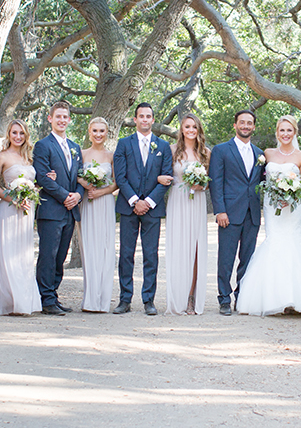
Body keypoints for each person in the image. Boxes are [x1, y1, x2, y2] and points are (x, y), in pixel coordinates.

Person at [236, 115, 301, 318]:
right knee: (274, 243)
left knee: (294, 243)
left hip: (292, 207)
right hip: (272, 207)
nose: (285, 134)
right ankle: (274, 299)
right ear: (277, 132)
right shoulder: (267, 154)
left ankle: (297, 300)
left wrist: (291, 196)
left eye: (289, 130)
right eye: (282, 130)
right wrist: (276, 194)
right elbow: (259, 179)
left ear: (295, 132)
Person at [0, 119, 42, 315]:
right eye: (14, 133)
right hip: (9, 209)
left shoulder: (29, 159)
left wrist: (32, 193)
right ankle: (9, 300)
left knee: (23, 254)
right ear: (9, 134)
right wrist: (13, 198)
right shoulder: (1, 157)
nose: (18, 137)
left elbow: (35, 182)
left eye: (21, 133)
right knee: (6, 253)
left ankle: (23, 298)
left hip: (26, 211)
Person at [112, 103, 173, 316]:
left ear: (153, 120)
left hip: (153, 209)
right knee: (126, 255)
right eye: (141, 116)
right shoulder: (123, 144)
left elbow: (166, 177)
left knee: (151, 255)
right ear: (135, 119)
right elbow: (120, 177)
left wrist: (148, 202)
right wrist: (135, 200)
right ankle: (125, 299)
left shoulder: (163, 146)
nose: (145, 120)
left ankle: (149, 300)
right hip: (129, 208)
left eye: (148, 116)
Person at [210, 109, 264, 316]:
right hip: (229, 213)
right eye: (242, 122)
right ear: (235, 125)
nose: (245, 126)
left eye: (249, 123)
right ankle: (224, 298)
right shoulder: (221, 150)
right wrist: (220, 211)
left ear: (253, 127)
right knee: (226, 258)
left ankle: (241, 296)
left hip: (252, 214)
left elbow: (262, 183)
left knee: (247, 258)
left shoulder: (260, 154)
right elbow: (216, 183)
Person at [33, 101, 85, 316]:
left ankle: (53, 294)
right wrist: (65, 196)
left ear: (69, 119)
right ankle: (45, 299)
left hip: (70, 210)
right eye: (58, 117)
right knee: (48, 255)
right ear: (50, 118)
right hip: (51, 210)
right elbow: (43, 177)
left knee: (61, 256)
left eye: (65, 117)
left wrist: (78, 195)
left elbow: (81, 176)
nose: (62, 120)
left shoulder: (74, 147)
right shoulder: (43, 145)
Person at [164, 113, 210, 315]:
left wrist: (202, 185)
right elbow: (165, 175)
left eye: (194, 127)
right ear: (181, 129)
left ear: (199, 130)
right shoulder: (172, 150)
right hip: (177, 201)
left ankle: (191, 298)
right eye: (187, 127)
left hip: (197, 202)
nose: (191, 130)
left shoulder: (205, 153)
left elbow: (210, 181)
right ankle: (177, 297)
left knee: (195, 250)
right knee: (178, 248)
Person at [77, 117, 118, 313]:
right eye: (95, 131)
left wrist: (101, 192)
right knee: (90, 247)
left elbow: (116, 183)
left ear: (107, 133)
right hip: (88, 203)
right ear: (89, 132)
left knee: (105, 247)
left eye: (102, 131)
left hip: (105, 202)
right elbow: (74, 175)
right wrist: (85, 184)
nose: (98, 134)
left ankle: (103, 300)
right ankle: (90, 299)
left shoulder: (111, 156)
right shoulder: (82, 154)